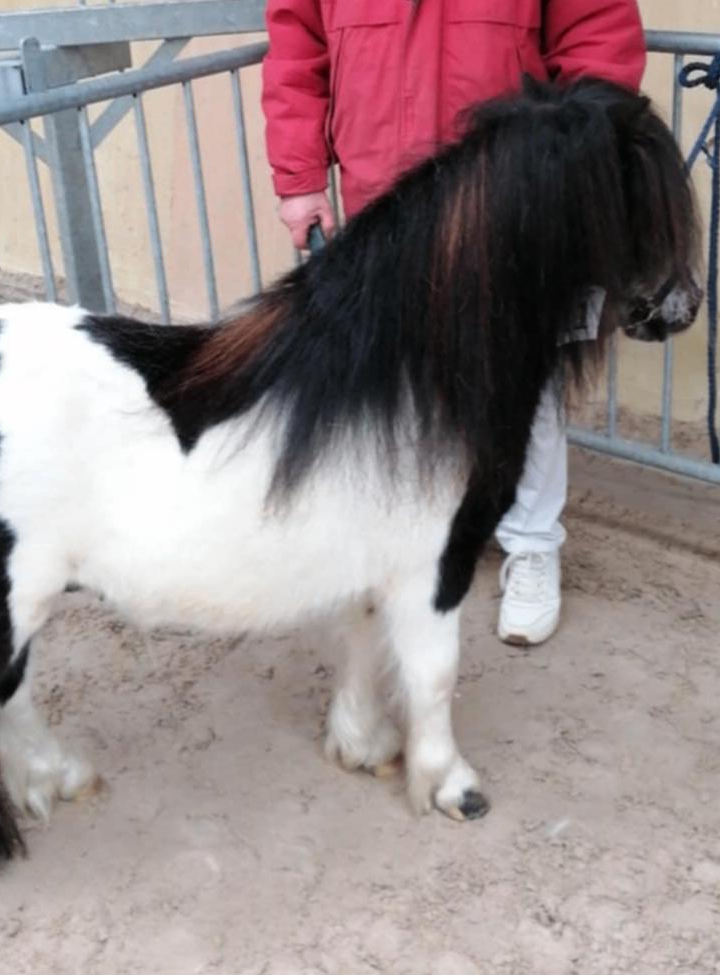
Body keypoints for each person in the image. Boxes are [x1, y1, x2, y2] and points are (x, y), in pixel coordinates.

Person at [261, 0, 646, 645]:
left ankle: (530, 545)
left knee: (526, 383)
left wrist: (575, 169)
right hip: (385, 196)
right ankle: (417, 536)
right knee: (402, 378)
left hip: (510, 198)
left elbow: (597, 41)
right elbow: (297, 48)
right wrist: (298, 177)